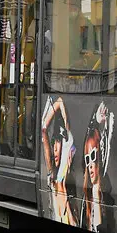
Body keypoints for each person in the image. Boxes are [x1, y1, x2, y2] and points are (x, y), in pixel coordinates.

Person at [79, 102, 113, 233]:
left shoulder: (107, 194)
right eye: (87, 159)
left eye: (93, 156)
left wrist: (96, 122)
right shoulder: (86, 199)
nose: (90, 165)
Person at [41, 95, 75, 224]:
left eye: (58, 141)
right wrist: (59, 104)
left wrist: (61, 107)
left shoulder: (67, 150)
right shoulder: (51, 172)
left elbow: (60, 101)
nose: (55, 148)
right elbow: (44, 129)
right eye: (53, 142)